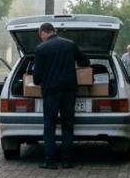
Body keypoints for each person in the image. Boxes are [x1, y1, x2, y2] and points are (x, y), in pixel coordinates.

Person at [30, 22, 90, 169]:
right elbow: (85, 62)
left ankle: (50, 161)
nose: (41, 39)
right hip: (69, 91)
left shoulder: (41, 48)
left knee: (49, 125)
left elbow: (36, 79)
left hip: (50, 92)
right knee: (67, 125)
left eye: (41, 36)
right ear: (53, 31)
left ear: (43, 33)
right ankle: (67, 161)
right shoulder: (70, 44)